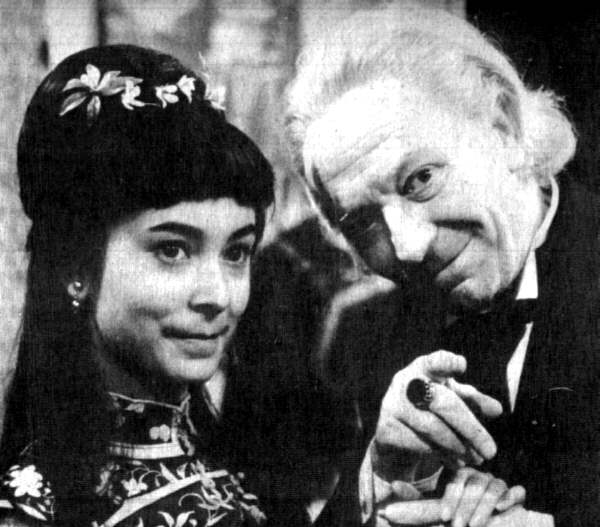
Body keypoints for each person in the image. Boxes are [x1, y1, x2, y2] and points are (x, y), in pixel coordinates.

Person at [284, 5, 599, 527]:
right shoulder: (376, 335)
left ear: (504, 126)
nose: (407, 246)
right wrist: (383, 475)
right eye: (363, 222)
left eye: (421, 179)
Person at [0, 44, 275, 527]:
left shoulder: (244, 468)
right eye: (172, 250)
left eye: (236, 253)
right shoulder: (32, 510)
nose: (218, 296)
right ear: (75, 268)